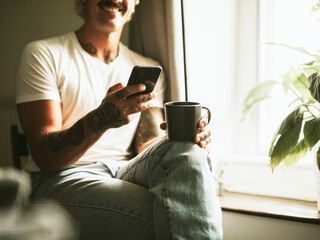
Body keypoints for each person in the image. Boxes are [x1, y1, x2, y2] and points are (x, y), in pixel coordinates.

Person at [15, 0, 223, 239]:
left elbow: (148, 145)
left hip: (123, 170)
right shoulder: (43, 54)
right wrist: (102, 118)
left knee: (186, 151)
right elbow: (46, 157)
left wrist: (185, 141)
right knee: (177, 213)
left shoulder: (146, 67)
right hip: (60, 178)